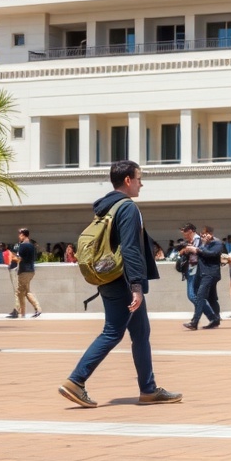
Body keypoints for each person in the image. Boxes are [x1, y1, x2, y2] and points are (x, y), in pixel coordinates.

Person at [58, 160, 181, 408]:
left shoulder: (106, 207)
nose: (141, 183)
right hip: (122, 281)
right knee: (113, 331)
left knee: (141, 333)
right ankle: (76, 380)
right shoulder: (127, 208)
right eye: (139, 178)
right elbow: (130, 248)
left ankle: (148, 389)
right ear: (128, 180)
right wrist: (136, 286)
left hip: (109, 277)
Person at [183, 225, 222, 330]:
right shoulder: (205, 244)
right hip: (203, 274)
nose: (204, 236)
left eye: (207, 233)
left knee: (200, 296)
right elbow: (200, 252)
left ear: (211, 234)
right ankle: (215, 319)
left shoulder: (217, 243)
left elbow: (212, 254)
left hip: (210, 274)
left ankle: (195, 322)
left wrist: (197, 250)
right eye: (203, 234)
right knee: (211, 298)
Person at [7, 227, 41, 318]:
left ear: (23, 235)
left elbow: (19, 259)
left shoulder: (23, 245)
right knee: (23, 291)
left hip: (24, 271)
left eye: (20, 234)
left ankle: (35, 308)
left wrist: (12, 257)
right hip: (30, 270)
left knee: (22, 291)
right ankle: (22, 312)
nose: (19, 236)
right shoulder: (31, 245)